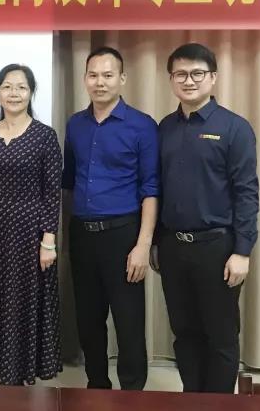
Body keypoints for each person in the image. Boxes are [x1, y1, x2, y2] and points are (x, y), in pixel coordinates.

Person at [153, 42, 259, 394]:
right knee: (184, 333)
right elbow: (158, 189)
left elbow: (247, 193)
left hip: (217, 247)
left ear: (213, 78)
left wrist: (242, 251)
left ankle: (218, 403)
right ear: (171, 79)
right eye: (180, 74)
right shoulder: (164, 128)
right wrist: (155, 242)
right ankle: (193, 398)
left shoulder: (234, 128)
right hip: (173, 247)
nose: (189, 80)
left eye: (197, 73)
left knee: (220, 334)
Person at [63, 46, 158, 390]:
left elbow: (151, 188)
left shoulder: (142, 126)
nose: (99, 82)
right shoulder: (76, 124)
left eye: (107, 75)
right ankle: (97, 385)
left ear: (122, 78)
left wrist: (143, 245)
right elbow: (68, 181)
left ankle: (132, 392)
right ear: (85, 79)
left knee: (128, 320)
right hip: (82, 233)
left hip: (123, 234)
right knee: (88, 318)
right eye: (93, 75)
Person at [0, 64, 62, 386]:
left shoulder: (45, 136)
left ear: (31, 93)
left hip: (29, 236)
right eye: (7, 86)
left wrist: (48, 240)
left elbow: (52, 193)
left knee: (23, 300)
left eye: (21, 87)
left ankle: (20, 374)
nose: (14, 93)